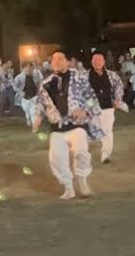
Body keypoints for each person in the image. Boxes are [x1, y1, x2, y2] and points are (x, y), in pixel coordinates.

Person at [35, 52, 103, 199]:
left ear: (68, 62)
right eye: (54, 59)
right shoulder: (46, 83)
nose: (57, 62)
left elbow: (92, 99)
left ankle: (82, 181)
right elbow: (41, 103)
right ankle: (68, 187)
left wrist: (85, 110)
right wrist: (38, 117)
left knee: (81, 152)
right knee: (56, 158)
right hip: (57, 126)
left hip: (76, 124)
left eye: (60, 59)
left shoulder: (80, 79)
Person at [86, 53, 126, 164]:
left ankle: (106, 154)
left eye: (99, 60)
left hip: (107, 107)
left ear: (104, 62)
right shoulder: (84, 76)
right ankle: (83, 154)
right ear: (91, 62)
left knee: (107, 131)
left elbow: (119, 86)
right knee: (88, 132)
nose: (97, 62)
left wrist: (117, 99)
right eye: (95, 60)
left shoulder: (111, 75)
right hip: (90, 108)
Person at [18, 63, 42, 132]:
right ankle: (28, 117)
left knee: (33, 112)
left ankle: (34, 128)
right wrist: (19, 92)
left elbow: (39, 83)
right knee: (27, 111)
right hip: (24, 98)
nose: (28, 69)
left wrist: (39, 92)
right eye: (26, 67)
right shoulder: (20, 77)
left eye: (30, 67)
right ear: (23, 68)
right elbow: (15, 85)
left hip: (34, 96)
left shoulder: (35, 76)